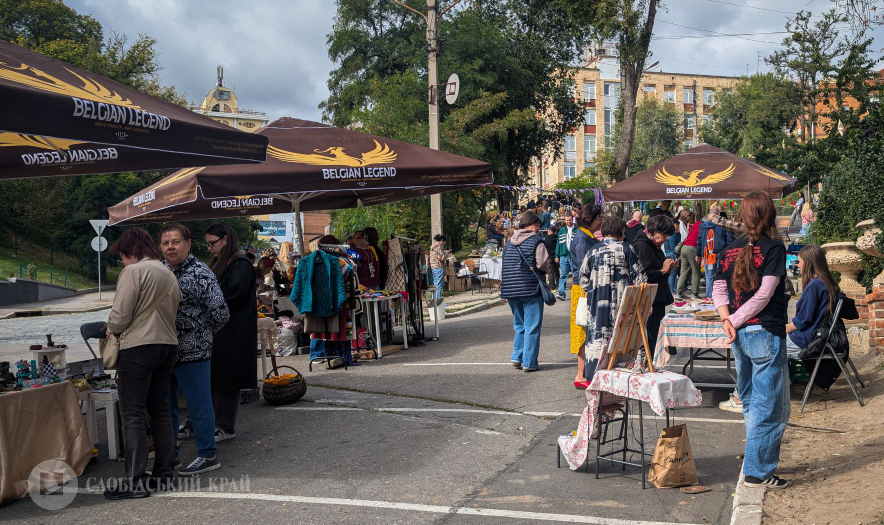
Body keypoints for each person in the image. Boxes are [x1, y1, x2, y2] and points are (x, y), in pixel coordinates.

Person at [713, 190, 789, 489]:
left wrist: (727, 319)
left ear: (743, 216)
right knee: (771, 407)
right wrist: (732, 319)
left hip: (740, 335)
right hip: (763, 331)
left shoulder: (729, 248)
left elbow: (717, 290)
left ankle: (756, 462)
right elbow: (764, 295)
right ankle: (758, 471)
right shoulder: (774, 248)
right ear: (769, 215)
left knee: (751, 401)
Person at [104, 228, 181, 499]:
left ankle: (135, 481)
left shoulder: (133, 272)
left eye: (122, 257)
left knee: (133, 414)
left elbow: (119, 316)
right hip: (167, 346)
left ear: (132, 252)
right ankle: (164, 476)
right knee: (161, 411)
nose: (122, 263)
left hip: (138, 348)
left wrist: (110, 327)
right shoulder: (169, 273)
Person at [159, 223, 230, 477]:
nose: (170, 247)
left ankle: (208, 454)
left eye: (176, 242)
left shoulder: (201, 273)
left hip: (194, 351)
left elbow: (221, 312)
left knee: (198, 405)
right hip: (164, 351)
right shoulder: (161, 271)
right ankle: (170, 455)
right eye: (166, 242)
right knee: (166, 406)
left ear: (188, 244)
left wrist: (200, 334)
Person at [579, 216, 647, 387]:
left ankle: (595, 379)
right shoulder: (627, 249)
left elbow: (582, 280)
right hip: (621, 304)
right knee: (621, 339)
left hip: (596, 306)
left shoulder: (592, 250)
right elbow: (641, 279)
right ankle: (621, 380)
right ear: (620, 231)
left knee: (597, 338)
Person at [205, 223, 258, 443]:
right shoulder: (222, 262)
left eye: (212, 243)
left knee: (226, 380)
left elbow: (233, 295)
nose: (209, 248)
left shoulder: (240, 263)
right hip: (220, 331)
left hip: (233, 331)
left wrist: (206, 302)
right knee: (214, 378)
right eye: (207, 244)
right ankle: (208, 421)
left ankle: (225, 425)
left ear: (225, 240)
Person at [500, 211, 551, 372]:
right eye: (536, 225)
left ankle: (517, 356)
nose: (538, 229)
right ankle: (529, 362)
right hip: (530, 288)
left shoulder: (508, 243)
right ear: (528, 225)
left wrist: (505, 288)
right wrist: (547, 269)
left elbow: (504, 268)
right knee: (532, 326)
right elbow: (543, 263)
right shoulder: (537, 241)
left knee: (519, 324)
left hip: (510, 288)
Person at [631, 215, 678, 349]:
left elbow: (658, 269)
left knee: (656, 335)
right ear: (656, 232)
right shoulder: (642, 244)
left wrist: (668, 268)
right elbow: (644, 274)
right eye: (665, 235)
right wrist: (663, 270)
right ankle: (649, 364)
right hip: (648, 300)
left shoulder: (653, 244)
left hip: (657, 297)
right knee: (651, 337)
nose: (666, 239)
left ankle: (653, 363)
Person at [569, 204, 603, 383]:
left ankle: (584, 372)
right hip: (582, 290)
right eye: (599, 218)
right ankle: (580, 374)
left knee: (586, 330)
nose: (601, 222)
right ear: (591, 218)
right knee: (582, 330)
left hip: (585, 288)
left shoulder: (586, 235)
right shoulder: (582, 237)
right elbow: (584, 269)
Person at [697, 206, 734, 298]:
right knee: (721, 275)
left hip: (708, 255)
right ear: (718, 215)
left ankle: (710, 297)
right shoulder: (723, 225)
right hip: (721, 254)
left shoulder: (703, 226)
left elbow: (700, 241)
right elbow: (729, 240)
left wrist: (697, 253)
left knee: (709, 276)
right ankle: (721, 296)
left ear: (709, 215)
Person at [676, 212, 701, 300]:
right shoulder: (703, 227)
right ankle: (694, 293)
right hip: (692, 248)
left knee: (683, 272)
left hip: (684, 248)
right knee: (695, 272)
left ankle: (678, 292)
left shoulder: (694, 226)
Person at [554, 213, 575, 301]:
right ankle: (561, 293)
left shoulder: (577, 230)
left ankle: (576, 292)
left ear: (572, 219)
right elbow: (558, 244)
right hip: (563, 256)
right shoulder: (562, 231)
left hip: (574, 256)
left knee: (575, 275)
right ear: (564, 220)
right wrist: (556, 255)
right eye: (566, 220)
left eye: (569, 220)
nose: (568, 222)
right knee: (563, 275)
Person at [428, 234, 447, 305]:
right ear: (442, 240)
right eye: (444, 242)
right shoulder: (439, 247)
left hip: (433, 267)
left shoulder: (432, 246)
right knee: (439, 285)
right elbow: (441, 258)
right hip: (438, 267)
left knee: (435, 284)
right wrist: (446, 255)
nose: (443, 244)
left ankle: (433, 300)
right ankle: (438, 301)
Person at [542, 222, 559, 290]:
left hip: (549, 257)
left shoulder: (546, 239)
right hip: (556, 256)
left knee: (551, 272)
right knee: (557, 271)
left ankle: (552, 285)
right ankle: (559, 284)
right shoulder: (557, 238)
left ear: (549, 231)